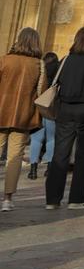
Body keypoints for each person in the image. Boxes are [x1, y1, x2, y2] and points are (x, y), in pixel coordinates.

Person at [45, 27, 84, 209]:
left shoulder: (66, 60)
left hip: (66, 109)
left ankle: (52, 200)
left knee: (60, 153)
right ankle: (77, 199)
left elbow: (55, 83)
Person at [0, 28, 44, 211]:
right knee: (15, 156)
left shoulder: (4, 59)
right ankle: (7, 199)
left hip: (1, 112)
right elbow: (41, 93)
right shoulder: (38, 64)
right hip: (23, 116)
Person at [26, 54, 58, 178]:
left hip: (38, 108)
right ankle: (49, 169)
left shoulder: (39, 70)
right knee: (51, 139)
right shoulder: (57, 74)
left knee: (36, 139)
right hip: (50, 109)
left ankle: (33, 170)